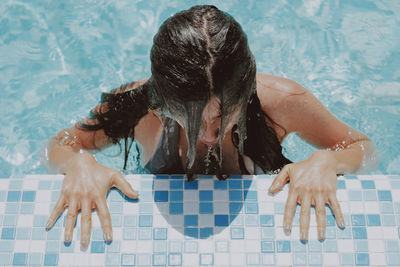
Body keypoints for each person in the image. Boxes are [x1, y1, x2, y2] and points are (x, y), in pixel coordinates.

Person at [42, 5, 380, 247]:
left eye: (222, 118)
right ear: (162, 98)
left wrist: (327, 161)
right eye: (188, 117)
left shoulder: (282, 101)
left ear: (246, 91)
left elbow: (362, 147)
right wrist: (78, 164)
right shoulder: (137, 106)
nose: (206, 135)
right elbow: (61, 144)